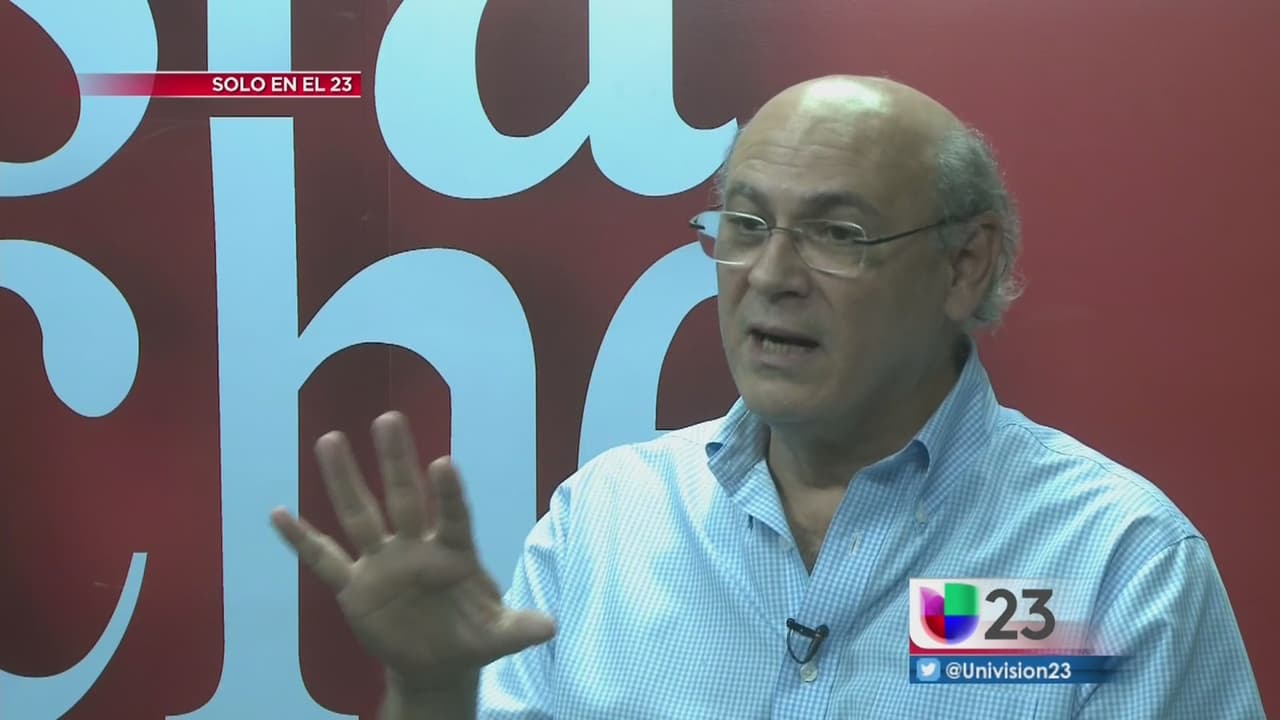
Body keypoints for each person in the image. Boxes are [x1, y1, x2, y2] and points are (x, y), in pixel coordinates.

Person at [270, 75, 1264, 718]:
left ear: (964, 266)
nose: (771, 275)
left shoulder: (1112, 562)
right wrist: (431, 690)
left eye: (837, 234)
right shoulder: (605, 522)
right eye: (744, 225)